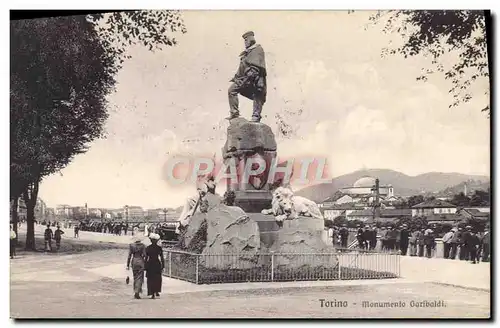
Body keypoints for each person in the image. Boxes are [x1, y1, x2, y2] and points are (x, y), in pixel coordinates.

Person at [227, 31, 267, 122]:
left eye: (246, 40)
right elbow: (242, 67)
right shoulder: (246, 52)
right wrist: (237, 77)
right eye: (244, 40)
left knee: (258, 93)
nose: (245, 42)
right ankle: (234, 113)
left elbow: (257, 65)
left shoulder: (258, 49)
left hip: (256, 78)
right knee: (231, 90)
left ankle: (256, 116)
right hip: (245, 78)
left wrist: (252, 73)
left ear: (251, 39)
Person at [145, 233, 165, 299]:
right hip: (157, 264)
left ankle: (152, 293)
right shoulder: (159, 248)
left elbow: (146, 258)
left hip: (150, 263)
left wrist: (145, 266)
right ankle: (157, 291)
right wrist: (163, 266)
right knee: (157, 278)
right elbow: (162, 258)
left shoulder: (148, 248)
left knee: (150, 279)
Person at [126, 235, 147, 299]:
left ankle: (135, 290)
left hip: (134, 261)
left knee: (135, 277)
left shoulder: (131, 245)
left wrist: (127, 265)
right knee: (140, 277)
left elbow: (129, 255)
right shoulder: (143, 246)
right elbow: (145, 255)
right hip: (140, 261)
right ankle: (137, 291)